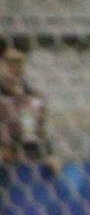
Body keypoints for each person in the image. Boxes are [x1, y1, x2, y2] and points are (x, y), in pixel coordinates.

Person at [0, 39, 53, 168]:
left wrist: (49, 156)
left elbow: (32, 136)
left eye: (20, 62)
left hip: (23, 165)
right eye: (10, 62)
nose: (15, 68)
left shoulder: (33, 99)